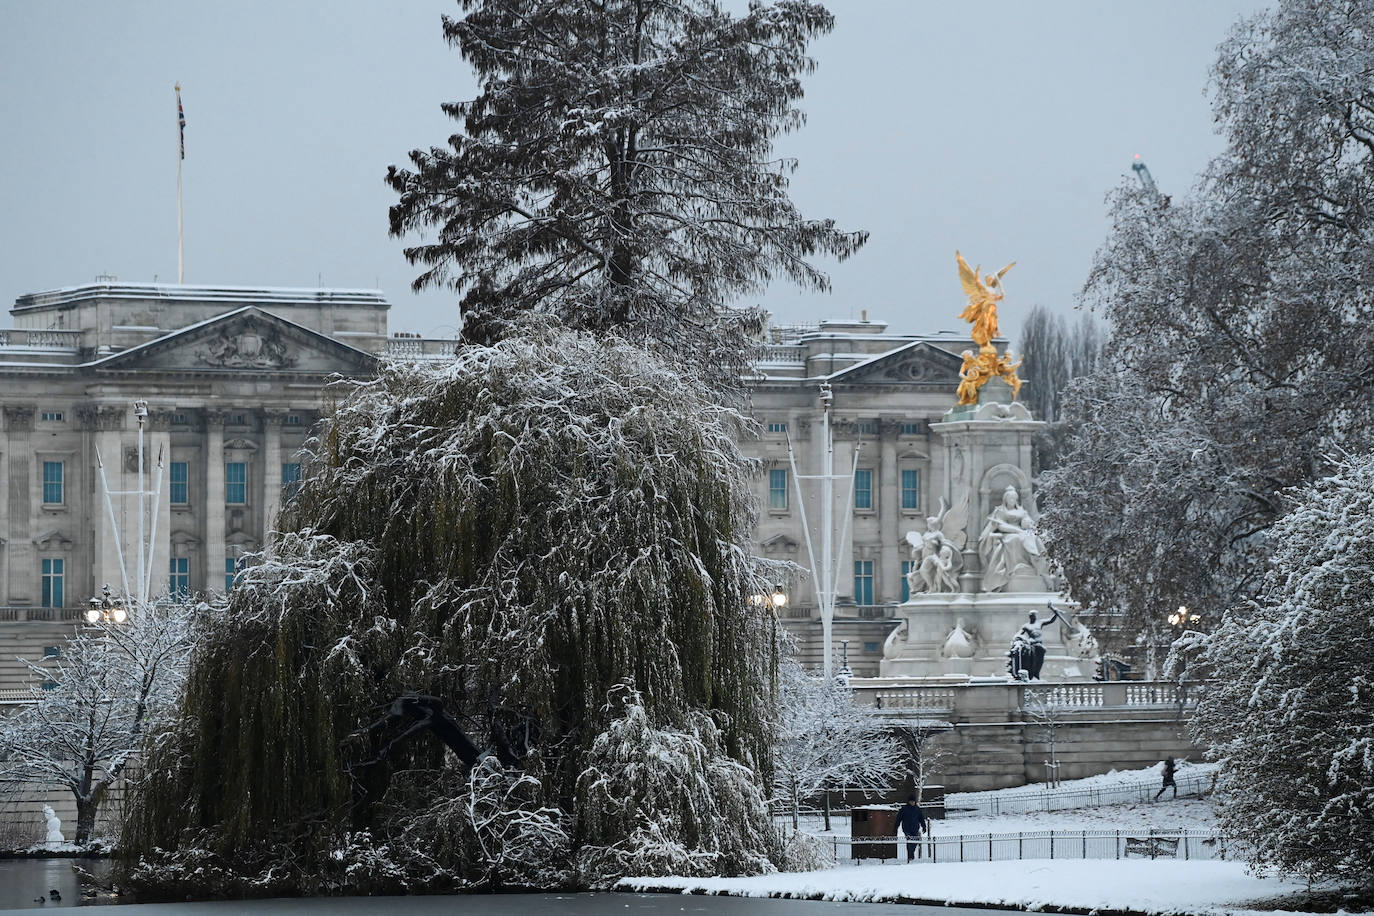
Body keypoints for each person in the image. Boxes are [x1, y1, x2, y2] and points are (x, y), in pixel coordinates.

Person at [978, 485, 1048, 592]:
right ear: (1005, 499)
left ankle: (1035, 560)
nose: (1012, 500)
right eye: (1010, 498)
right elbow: (1001, 526)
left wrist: (1028, 524)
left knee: (1034, 538)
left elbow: (1028, 522)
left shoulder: (1021, 511)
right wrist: (1017, 530)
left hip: (1023, 532)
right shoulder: (1001, 511)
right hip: (1008, 534)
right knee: (1015, 539)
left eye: (1014, 498)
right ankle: (1018, 567)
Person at [895, 794, 928, 862]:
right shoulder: (904, 809)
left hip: (915, 828)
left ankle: (911, 855)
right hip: (906, 829)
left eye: (913, 801)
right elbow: (898, 819)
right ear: (908, 802)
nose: (912, 803)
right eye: (911, 801)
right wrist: (896, 828)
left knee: (915, 842)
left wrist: (924, 826)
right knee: (910, 842)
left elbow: (921, 818)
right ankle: (910, 857)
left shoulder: (917, 809)